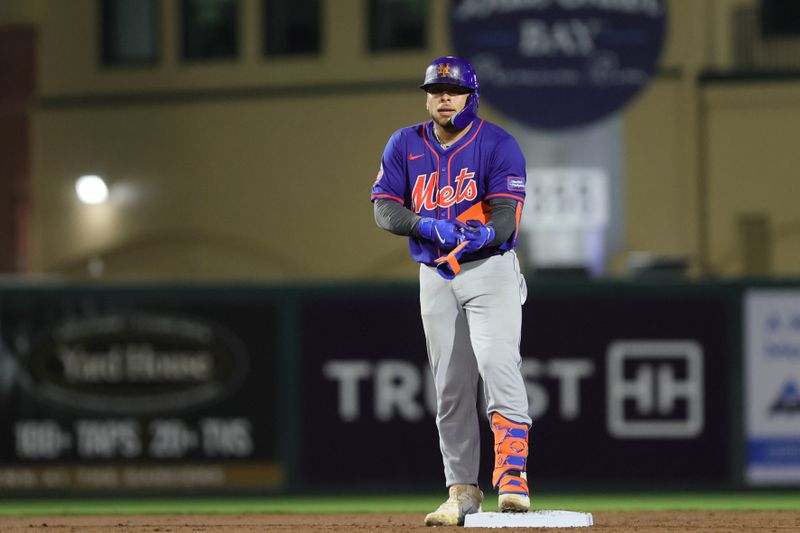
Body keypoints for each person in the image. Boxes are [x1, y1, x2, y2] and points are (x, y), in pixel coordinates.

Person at [370, 56, 531, 527]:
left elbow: (506, 217)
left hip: (490, 272)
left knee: (499, 364)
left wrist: (484, 234)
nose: (443, 96)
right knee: (451, 389)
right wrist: (426, 225)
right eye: (435, 88)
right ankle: (461, 490)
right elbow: (384, 208)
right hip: (435, 277)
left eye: (452, 90)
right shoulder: (405, 142)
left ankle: (513, 477)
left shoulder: (498, 143)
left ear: (470, 96)